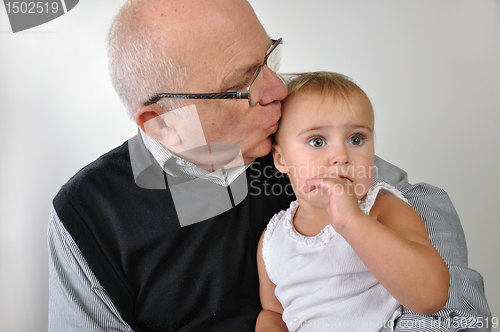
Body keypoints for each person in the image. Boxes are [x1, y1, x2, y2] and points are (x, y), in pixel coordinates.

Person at [47, 0, 491, 331]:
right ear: (165, 126)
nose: (278, 88)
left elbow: (413, 199)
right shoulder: (88, 214)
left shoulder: (289, 135)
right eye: (243, 82)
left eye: (269, 56)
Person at [256, 71, 450, 331]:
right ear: (281, 160)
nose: (341, 155)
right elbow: (273, 312)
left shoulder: (382, 208)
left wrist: (351, 221)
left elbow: (431, 296)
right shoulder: (273, 238)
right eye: (317, 141)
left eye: (356, 139)